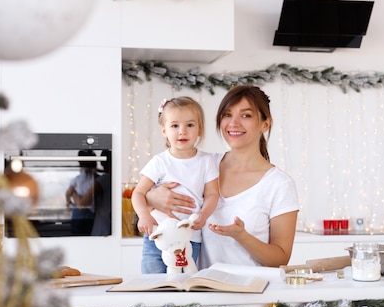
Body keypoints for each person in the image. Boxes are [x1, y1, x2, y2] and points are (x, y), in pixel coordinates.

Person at [145, 85, 299, 269]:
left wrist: (242, 236)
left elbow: (280, 259)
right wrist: (151, 198)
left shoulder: (279, 184)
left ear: (265, 124)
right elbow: (149, 199)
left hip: (250, 292)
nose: (233, 123)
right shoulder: (202, 165)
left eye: (246, 115)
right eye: (227, 115)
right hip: (200, 291)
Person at [133, 96, 219, 273]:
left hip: (189, 237)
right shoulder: (160, 162)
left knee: (183, 282)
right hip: (157, 235)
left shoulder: (206, 161)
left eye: (190, 125)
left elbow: (212, 194)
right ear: (164, 130)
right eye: (174, 126)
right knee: (153, 282)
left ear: (200, 129)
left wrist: (203, 214)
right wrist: (144, 215)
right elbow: (138, 193)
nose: (182, 131)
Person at [69, 149, 112, 236]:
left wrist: (73, 192)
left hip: (101, 228)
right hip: (107, 225)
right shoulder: (108, 179)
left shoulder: (103, 179)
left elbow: (82, 204)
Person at [65, 150, 96, 235]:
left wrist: (68, 202)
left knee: (77, 234)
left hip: (80, 212)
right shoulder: (95, 178)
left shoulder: (78, 178)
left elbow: (68, 193)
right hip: (90, 212)